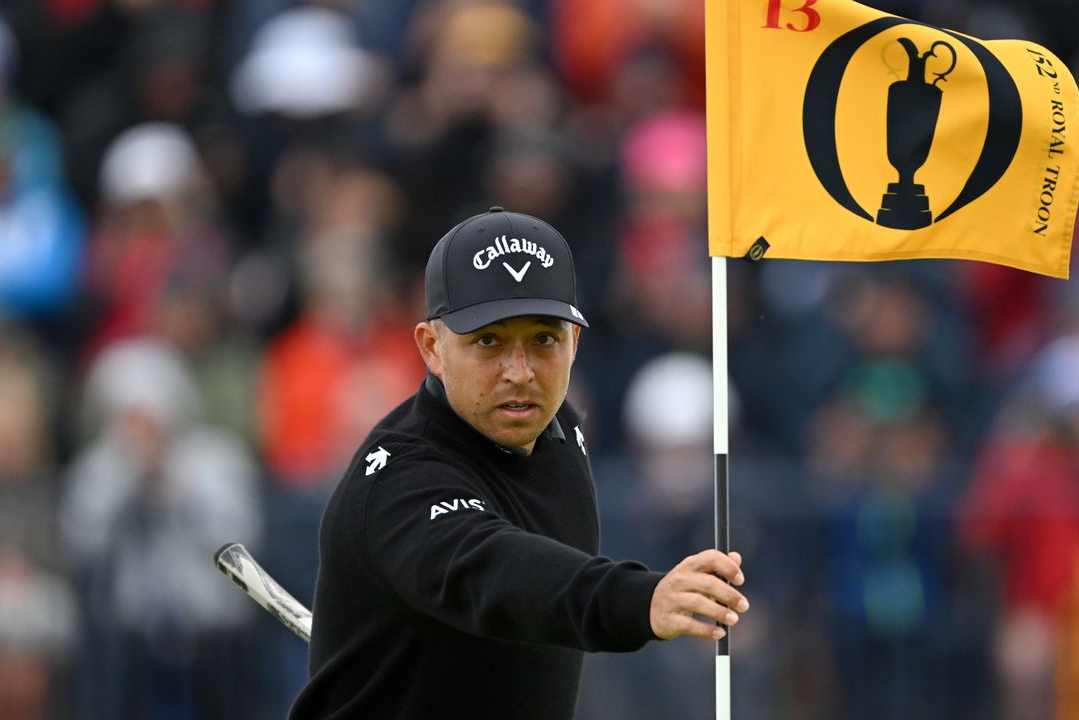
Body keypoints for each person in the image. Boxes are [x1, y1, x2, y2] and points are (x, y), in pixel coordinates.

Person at [291, 207, 750, 719]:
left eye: (543, 339)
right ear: (432, 348)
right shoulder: (400, 478)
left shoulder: (560, 431)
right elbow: (496, 572)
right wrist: (639, 598)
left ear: (574, 343)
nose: (520, 372)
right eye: (488, 341)